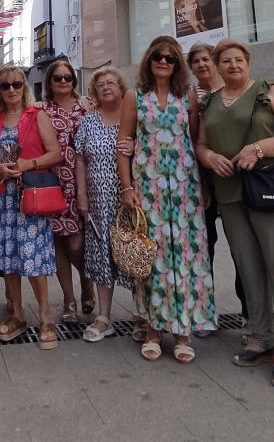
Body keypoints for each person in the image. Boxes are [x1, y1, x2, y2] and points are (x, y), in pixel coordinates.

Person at [197, 39, 274, 388]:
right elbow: (201, 143)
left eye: (238, 59)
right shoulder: (211, 101)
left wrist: (258, 148)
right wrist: (209, 157)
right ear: (216, 66)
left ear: (247, 62)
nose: (232, 65)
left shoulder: (269, 92)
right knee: (249, 267)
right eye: (225, 61)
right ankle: (262, 337)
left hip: (270, 189)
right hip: (230, 194)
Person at [118, 36, 216, 364]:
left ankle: (184, 329)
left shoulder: (186, 96)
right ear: (149, 60)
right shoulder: (135, 96)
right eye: (158, 56)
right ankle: (153, 328)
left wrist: (203, 185)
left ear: (177, 64)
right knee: (153, 258)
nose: (163, 61)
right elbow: (124, 143)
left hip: (184, 187)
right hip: (148, 187)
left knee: (187, 259)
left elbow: (194, 140)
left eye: (171, 57)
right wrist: (127, 187)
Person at [0, 65, 61, 350]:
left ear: (23, 86)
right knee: (8, 257)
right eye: (5, 86)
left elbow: (55, 153)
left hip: (30, 196)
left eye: (16, 84)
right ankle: (17, 313)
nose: (11, 90)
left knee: (34, 256)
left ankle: (46, 315)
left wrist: (28, 164)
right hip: (1, 195)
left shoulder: (36, 115)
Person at [188, 42, 246, 332]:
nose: (202, 64)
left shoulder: (237, 92)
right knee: (204, 248)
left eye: (206, 59)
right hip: (202, 182)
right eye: (196, 60)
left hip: (238, 180)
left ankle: (250, 309)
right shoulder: (190, 96)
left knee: (243, 249)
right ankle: (204, 312)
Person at [74, 67, 131, 343]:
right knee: (101, 257)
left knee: (134, 254)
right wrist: (82, 196)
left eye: (111, 83)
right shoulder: (89, 121)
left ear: (122, 88)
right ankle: (104, 316)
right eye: (101, 85)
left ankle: (143, 314)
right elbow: (80, 160)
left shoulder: (134, 118)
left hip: (130, 199)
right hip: (97, 200)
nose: (106, 87)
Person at [42, 59, 93, 322]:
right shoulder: (41, 111)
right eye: (57, 78)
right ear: (49, 82)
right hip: (53, 184)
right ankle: (69, 300)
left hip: (83, 184)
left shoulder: (87, 107)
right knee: (58, 245)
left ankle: (87, 280)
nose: (63, 81)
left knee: (76, 246)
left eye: (68, 77)